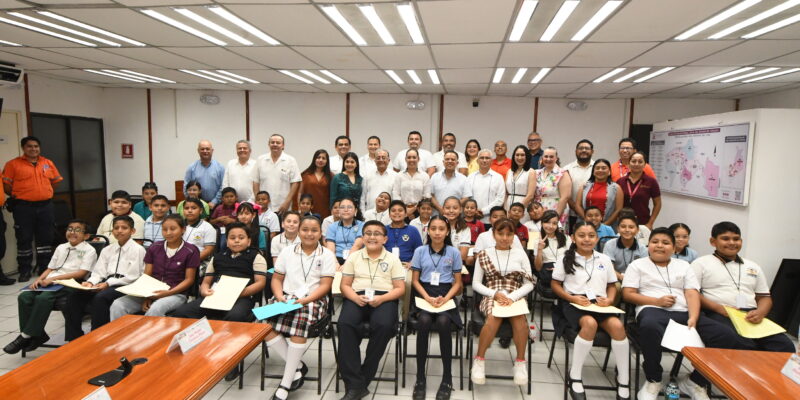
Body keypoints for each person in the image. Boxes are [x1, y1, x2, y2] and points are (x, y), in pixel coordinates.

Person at [622, 228, 743, 400]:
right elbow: (628, 294)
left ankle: (695, 381)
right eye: (655, 241)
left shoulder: (684, 266)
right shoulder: (637, 265)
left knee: (727, 336)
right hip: (652, 309)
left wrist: (693, 316)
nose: (659, 246)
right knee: (649, 326)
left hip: (685, 312)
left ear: (674, 247)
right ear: (648, 244)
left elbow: (692, 293)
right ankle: (653, 379)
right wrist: (656, 301)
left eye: (665, 243)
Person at [551, 221, 629, 400]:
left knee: (617, 326)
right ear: (573, 238)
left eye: (591, 236)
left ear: (597, 237)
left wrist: (609, 299)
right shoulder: (565, 257)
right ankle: (575, 376)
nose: (587, 239)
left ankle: (623, 379)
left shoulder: (604, 259)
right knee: (589, 323)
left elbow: (612, 285)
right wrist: (571, 298)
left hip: (599, 303)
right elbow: (555, 284)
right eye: (582, 235)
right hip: (573, 301)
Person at [691, 221, 795, 352]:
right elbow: (692, 293)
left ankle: (760, 372)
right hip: (717, 313)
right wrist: (720, 309)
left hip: (750, 315)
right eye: (725, 239)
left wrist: (761, 312)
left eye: (736, 239)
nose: (732, 243)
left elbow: (764, 298)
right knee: (742, 343)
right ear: (713, 241)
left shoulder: (753, 266)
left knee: (784, 346)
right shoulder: (701, 264)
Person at [264, 216, 336, 400]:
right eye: (305, 229)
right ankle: (296, 366)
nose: (309, 234)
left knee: (298, 326)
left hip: (313, 299)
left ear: (321, 233)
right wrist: (279, 297)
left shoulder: (326, 254)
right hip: (286, 296)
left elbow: (325, 286)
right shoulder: (287, 251)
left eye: (314, 230)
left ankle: (285, 384)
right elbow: (277, 279)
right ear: (299, 231)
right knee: (262, 325)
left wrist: (304, 301)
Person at [3, 219, 97, 354]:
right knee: (25, 296)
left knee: (44, 298)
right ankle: (38, 335)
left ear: (86, 236)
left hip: (71, 282)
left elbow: (81, 273)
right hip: (52, 281)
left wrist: (54, 279)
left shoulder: (89, 250)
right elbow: (50, 268)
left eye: (77, 230)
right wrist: (39, 279)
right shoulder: (61, 247)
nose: (72, 232)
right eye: (70, 229)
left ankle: (26, 336)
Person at [337, 220, 406, 400]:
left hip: (384, 297)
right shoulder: (354, 257)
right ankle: (356, 383)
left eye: (377, 234)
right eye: (368, 233)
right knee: (345, 323)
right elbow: (344, 285)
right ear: (363, 237)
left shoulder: (392, 259)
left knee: (383, 325)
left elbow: (400, 288)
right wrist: (354, 297)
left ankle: (360, 380)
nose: (372, 237)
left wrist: (382, 298)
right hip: (357, 296)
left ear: (385, 239)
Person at [470, 218, 534, 386]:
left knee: (520, 320)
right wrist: (495, 294)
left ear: (514, 235)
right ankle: (479, 360)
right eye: (501, 233)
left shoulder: (521, 254)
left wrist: (512, 297)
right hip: (492, 293)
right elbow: (476, 284)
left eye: (509, 234)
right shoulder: (484, 254)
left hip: (516, 294)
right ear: (493, 233)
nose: (505, 238)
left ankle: (520, 363)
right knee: (494, 317)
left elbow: (529, 284)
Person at [63, 216, 145, 340]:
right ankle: (74, 337)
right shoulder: (107, 249)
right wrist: (90, 282)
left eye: (124, 228)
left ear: (132, 231)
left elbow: (133, 276)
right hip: (105, 282)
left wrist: (108, 284)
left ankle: (98, 336)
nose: (119, 231)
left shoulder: (138, 250)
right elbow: (98, 272)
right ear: (112, 231)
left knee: (101, 297)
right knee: (74, 297)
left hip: (125, 284)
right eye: (116, 228)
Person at [410, 215, 463, 400]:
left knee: (443, 321)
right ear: (428, 230)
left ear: (447, 231)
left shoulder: (453, 253)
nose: (437, 232)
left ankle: (447, 378)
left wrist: (445, 298)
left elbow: (458, 284)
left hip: (446, 294)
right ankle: (420, 379)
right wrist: (427, 297)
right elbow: (415, 280)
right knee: (423, 320)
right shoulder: (420, 251)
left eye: (441, 228)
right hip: (424, 293)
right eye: (433, 228)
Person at [109, 214, 198, 320]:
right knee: (118, 304)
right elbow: (147, 276)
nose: (168, 233)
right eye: (164, 229)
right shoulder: (154, 247)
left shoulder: (191, 250)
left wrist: (167, 293)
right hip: (150, 292)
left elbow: (189, 280)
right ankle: (120, 335)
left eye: (173, 229)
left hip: (176, 293)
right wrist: (146, 296)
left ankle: (145, 336)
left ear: (183, 229)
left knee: (155, 309)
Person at [172, 222, 267, 320]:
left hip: (242, 297)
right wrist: (204, 290)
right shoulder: (217, 257)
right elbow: (206, 282)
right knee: (181, 312)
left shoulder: (256, 257)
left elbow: (260, 283)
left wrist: (238, 293)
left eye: (241, 238)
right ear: (226, 241)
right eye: (232, 238)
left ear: (249, 241)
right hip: (215, 296)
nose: (237, 241)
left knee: (234, 316)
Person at [3, 136, 63, 282]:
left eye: (36, 146)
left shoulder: (47, 163)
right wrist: (24, 194)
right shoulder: (13, 164)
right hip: (24, 207)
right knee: (24, 239)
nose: (33, 149)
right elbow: (7, 186)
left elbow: (55, 183)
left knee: (45, 238)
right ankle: (24, 270)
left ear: (39, 148)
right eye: (30, 146)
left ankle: (44, 268)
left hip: (45, 206)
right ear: (23, 148)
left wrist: (43, 192)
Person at [252, 134, 302, 215]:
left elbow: (295, 182)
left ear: (283, 145)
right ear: (269, 144)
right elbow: (255, 182)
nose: (275, 144)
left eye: (278, 143)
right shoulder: (260, 160)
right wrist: (257, 201)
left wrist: (287, 202)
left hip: (283, 205)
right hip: (263, 206)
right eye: (272, 142)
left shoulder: (290, 160)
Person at [617, 152, 661, 230]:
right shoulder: (620, 181)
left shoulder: (651, 182)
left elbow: (657, 204)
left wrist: (650, 223)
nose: (636, 164)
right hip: (623, 223)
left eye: (640, 162)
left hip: (643, 223)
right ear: (629, 163)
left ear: (644, 164)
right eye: (633, 161)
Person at [574, 159, 623, 227]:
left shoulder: (616, 188)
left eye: (604, 168)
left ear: (609, 172)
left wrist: (604, 226)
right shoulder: (584, 186)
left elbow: (618, 209)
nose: (600, 170)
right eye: (597, 168)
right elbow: (578, 206)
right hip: (585, 225)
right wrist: (587, 220)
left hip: (609, 226)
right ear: (593, 172)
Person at [463, 149, 505, 224]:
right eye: (482, 158)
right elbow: (467, 197)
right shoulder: (470, 177)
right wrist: (473, 211)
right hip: (472, 218)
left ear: (491, 161)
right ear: (477, 161)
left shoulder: (498, 177)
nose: (484, 160)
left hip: (490, 220)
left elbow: (500, 199)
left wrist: (483, 211)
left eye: (487, 158)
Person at [535, 146, 572, 227]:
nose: (548, 159)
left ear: (556, 158)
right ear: (542, 158)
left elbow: (565, 197)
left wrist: (555, 217)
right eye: (546, 156)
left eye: (551, 157)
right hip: (539, 212)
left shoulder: (562, 173)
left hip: (556, 210)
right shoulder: (537, 173)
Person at [533, 210, 571, 289]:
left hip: (565, 269)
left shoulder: (566, 238)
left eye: (554, 223)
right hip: (548, 272)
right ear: (542, 223)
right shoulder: (536, 239)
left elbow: (572, 258)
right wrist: (539, 250)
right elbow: (538, 268)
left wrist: (559, 268)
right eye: (547, 222)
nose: (550, 226)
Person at [603, 214, 647, 281]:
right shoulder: (609, 245)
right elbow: (609, 268)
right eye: (623, 227)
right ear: (618, 229)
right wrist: (621, 277)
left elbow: (643, 270)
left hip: (636, 280)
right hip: (615, 279)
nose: (627, 230)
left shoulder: (642, 248)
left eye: (631, 227)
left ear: (637, 230)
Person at [564, 140, 595, 230]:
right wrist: (576, 208)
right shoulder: (567, 169)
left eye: (587, 148)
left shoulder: (598, 168)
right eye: (581, 148)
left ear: (592, 151)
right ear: (576, 151)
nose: (584, 150)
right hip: (571, 213)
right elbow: (564, 192)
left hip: (593, 216)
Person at [184, 140, 225, 208]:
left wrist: (214, 201)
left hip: (215, 205)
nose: (205, 151)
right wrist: (192, 201)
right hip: (196, 205)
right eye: (202, 149)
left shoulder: (220, 168)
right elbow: (186, 186)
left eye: (207, 149)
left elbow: (223, 186)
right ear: (198, 151)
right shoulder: (191, 168)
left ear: (212, 150)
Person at [325, 198, 364, 267]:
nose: (346, 210)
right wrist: (335, 263)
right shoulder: (332, 226)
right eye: (342, 207)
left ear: (355, 211)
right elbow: (330, 248)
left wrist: (347, 264)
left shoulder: (362, 225)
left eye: (349, 207)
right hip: (335, 259)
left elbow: (357, 246)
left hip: (355, 259)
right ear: (339, 211)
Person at [392, 149, 431, 217]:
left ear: (418, 159)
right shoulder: (399, 175)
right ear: (405, 159)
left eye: (414, 157)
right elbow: (396, 194)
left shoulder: (425, 176)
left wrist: (414, 209)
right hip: (402, 211)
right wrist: (404, 209)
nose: (411, 160)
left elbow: (427, 196)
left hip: (420, 211)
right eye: (409, 157)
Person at [181, 198, 216, 274]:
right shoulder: (178, 225)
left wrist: (190, 261)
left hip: (199, 261)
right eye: (186, 208)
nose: (189, 211)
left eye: (193, 208)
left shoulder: (207, 227)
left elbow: (208, 250)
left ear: (200, 211)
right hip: (179, 260)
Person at [385, 200, 423, 268]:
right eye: (393, 211)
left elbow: (420, 251)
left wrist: (412, 262)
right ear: (389, 215)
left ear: (406, 214)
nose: (397, 213)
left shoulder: (413, 230)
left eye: (400, 210)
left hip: (407, 266)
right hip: (387, 265)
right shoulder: (383, 230)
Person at [299, 149, 332, 218]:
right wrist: (300, 208)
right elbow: (300, 193)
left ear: (327, 161)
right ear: (314, 159)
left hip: (325, 209)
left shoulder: (331, 176)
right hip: (307, 208)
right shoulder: (305, 175)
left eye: (323, 158)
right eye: (318, 157)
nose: (321, 160)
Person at [505, 145, 536, 213]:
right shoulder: (509, 171)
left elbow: (530, 195)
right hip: (508, 207)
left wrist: (518, 209)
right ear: (514, 156)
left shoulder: (531, 172)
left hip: (523, 207)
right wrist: (505, 208)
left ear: (527, 156)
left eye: (522, 155)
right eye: (517, 155)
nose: (519, 157)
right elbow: (506, 193)